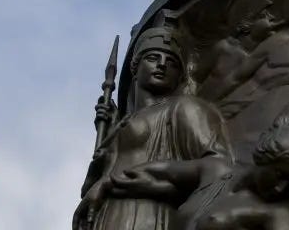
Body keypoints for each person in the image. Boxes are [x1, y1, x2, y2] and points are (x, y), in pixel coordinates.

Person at [75, 25, 234, 230]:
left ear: (180, 77)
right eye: (152, 58)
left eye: (172, 63)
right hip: (105, 217)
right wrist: (111, 133)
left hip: (148, 213)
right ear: (135, 67)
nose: (161, 65)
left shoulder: (184, 108)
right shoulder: (119, 127)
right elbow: (90, 186)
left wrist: (120, 182)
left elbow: (218, 166)